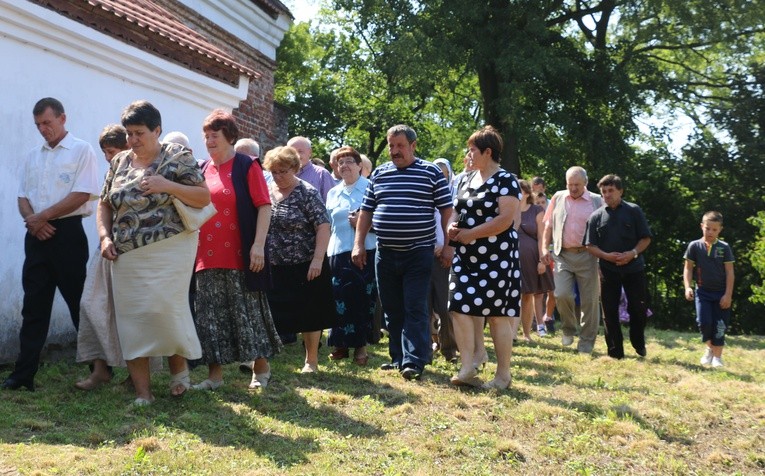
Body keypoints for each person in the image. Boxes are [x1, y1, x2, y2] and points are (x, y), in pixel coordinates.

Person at [97, 100, 208, 405]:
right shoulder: (119, 162)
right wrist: (105, 237)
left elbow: (203, 196)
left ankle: (179, 373)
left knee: (164, 310)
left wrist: (166, 185)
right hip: (126, 252)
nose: (132, 140)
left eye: (139, 133)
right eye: (129, 133)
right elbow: (105, 204)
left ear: (157, 130)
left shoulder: (177, 156)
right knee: (132, 319)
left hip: (170, 247)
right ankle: (143, 394)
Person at [3, 98, 99, 392]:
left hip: (67, 234)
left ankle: (99, 368)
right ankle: (23, 375)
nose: (43, 129)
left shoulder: (82, 150)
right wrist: (34, 220)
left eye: (47, 123)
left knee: (77, 303)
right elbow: (22, 196)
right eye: (38, 125)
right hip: (36, 234)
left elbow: (83, 193)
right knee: (34, 305)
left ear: (62, 118)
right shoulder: (33, 155)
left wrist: (42, 217)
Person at [352, 125, 453, 381]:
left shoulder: (430, 172)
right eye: (391, 145)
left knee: (415, 307)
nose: (395, 151)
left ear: (413, 146)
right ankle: (397, 357)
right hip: (385, 253)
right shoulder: (380, 174)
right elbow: (366, 211)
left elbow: (446, 211)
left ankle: (415, 360)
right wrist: (358, 244)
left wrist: (450, 245)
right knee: (392, 308)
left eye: (400, 146)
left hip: (418, 252)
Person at [191, 110, 282, 391]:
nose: (208, 141)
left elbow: (264, 206)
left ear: (229, 137)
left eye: (214, 136)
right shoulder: (202, 169)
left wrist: (258, 245)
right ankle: (214, 376)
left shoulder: (246, 165)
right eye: (206, 136)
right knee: (210, 317)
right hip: (205, 256)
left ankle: (261, 368)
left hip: (240, 254)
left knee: (247, 314)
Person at [447, 126, 521, 389]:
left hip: (497, 256)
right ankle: (468, 366)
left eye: (473, 150)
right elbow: (456, 210)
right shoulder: (466, 179)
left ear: (488, 152)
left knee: (498, 315)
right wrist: (452, 228)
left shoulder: (506, 180)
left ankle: (503, 375)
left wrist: (471, 234)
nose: (469, 154)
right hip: (466, 256)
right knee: (458, 306)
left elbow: (505, 219)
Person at [263, 146, 336, 373]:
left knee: (310, 313)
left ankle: (311, 361)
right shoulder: (267, 190)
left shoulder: (307, 192)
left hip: (305, 263)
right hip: (274, 263)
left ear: (295, 168)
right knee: (270, 311)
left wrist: (317, 259)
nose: (278, 176)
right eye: (274, 171)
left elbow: (323, 225)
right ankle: (264, 359)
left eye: (283, 171)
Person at [74, 124, 130, 390]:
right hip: (106, 247)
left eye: (112, 151)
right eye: (105, 152)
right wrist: (104, 236)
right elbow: (102, 208)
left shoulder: (141, 171)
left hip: (133, 249)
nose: (108, 157)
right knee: (90, 304)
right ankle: (100, 370)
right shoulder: (111, 173)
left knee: (130, 312)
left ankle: (136, 375)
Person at [584, 174, 652, 359]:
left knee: (638, 308)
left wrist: (632, 254)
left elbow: (646, 238)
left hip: (634, 268)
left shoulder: (634, 211)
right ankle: (615, 352)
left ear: (620, 191)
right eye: (604, 191)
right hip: (608, 269)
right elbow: (589, 245)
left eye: (611, 190)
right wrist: (606, 256)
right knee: (609, 311)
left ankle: (638, 342)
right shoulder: (596, 216)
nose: (607, 194)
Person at [541, 166, 603, 354]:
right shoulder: (558, 197)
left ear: (585, 183)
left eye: (577, 184)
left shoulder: (596, 201)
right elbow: (548, 227)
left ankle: (586, 343)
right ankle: (568, 329)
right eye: (570, 184)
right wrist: (545, 248)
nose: (573, 188)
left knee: (589, 302)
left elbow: (604, 230)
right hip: (562, 254)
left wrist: (603, 259)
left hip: (588, 256)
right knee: (561, 294)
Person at [325, 146, 377, 365]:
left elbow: (383, 221)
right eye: (340, 162)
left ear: (359, 166)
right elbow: (328, 223)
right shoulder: (333, 192)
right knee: (338, 300)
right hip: (337, 252)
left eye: (348, 161)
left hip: (365, 251)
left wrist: (364, 225)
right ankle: (340, 345)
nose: (343, 166)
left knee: (362, 300)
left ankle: (360, 347)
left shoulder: (371, 189)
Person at [683, 211, 734, 368]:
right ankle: (710, 349)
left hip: (721, 293)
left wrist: (727, 295)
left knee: (719, 325)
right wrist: (687, 287)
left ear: (720, 230)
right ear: (702, 227)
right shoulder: (694, 246)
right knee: (704, 322)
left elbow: (730, 272)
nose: (710, 232)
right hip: (702, 292)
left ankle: (717, 358)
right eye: (707, 228)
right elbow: (688, 269)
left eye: (714, 229)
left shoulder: (724, 248)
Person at [516, 179, 554, 340]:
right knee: (512, 296)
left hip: (531, 260)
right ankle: (511, 334)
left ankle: (526, 333)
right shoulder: (507, 210)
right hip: (510, 259)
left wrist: (541, 260)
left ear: (525, 193)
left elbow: (541, 237)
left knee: (527, 295)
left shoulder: (537, 210)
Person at [430, 158, 459, 361]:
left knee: (445, 306)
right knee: (424, 306)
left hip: (448, 256)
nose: (440, 177)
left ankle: (449, 349)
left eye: (443, 173)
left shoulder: (456, 196)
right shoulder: (424, 193)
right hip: (425, 253)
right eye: (436, 173)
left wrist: (447, 247)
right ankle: (429, 344)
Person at [287, 136, 336, 202]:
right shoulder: (281, 174)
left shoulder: (322, 174)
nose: (297, 156)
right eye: (292, 152)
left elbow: (331, 204)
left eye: (300, 151)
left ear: (310, 152)